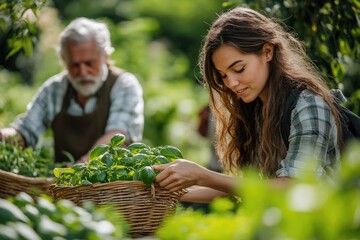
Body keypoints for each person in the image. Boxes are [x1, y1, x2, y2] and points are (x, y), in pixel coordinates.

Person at [152, 7, 342, 203]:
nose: (231, 83)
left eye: (239, 69)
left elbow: (292, 187)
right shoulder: (257, 108)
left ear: (267, 52)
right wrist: (170, 192)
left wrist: (203, 175)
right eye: (223, 75)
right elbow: (248, 186)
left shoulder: (308, 105)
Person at [0, 17, 144, 165]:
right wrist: (3, 137)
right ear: (64, 61)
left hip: (114, 185)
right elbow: (26, 131)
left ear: (105, 56)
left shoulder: (124, 85)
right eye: (74, 65)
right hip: (61, 184)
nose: (82, 72)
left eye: (89, 63)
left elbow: (117, 137)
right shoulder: (54, 89)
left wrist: (80, 169)